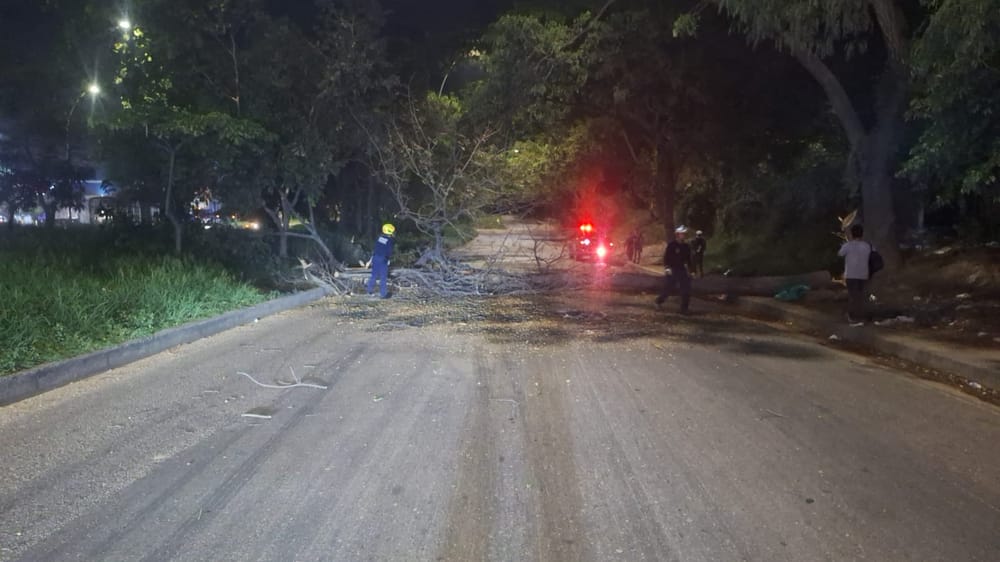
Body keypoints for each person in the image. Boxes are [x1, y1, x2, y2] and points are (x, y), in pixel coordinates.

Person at [838, 223, 872, 323]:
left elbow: (840, 254)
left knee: (853, 296)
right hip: (863, 275)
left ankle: (852, 316)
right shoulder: (867, 246)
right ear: (862, 234)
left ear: (852, 234)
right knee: (861, 296)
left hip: (851, 275)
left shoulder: (847, 246)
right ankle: (861, 316)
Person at [655, 225, 693, 314]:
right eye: (682, 234)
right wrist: (667, 268)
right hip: (672, 269)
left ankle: (684, 309)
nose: (683, 236)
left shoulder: (686, 246)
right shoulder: (672, 245)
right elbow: (666, 257)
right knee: (668, 288)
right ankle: (658, 301)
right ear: (678, 235)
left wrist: (692, 270)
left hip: (681, 269)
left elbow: (688, 260)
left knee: (686, 289)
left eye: (684, 234)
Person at [366, 223, 396, 299]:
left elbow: (375, 249)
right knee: (383, 276)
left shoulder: (380, 238)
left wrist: (370, 260)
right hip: (383, 259)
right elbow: (389, 251)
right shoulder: (390, 240)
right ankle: (383, 294)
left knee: (374, 275)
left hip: (375, 258)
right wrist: (388, 259)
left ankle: (369, 290)